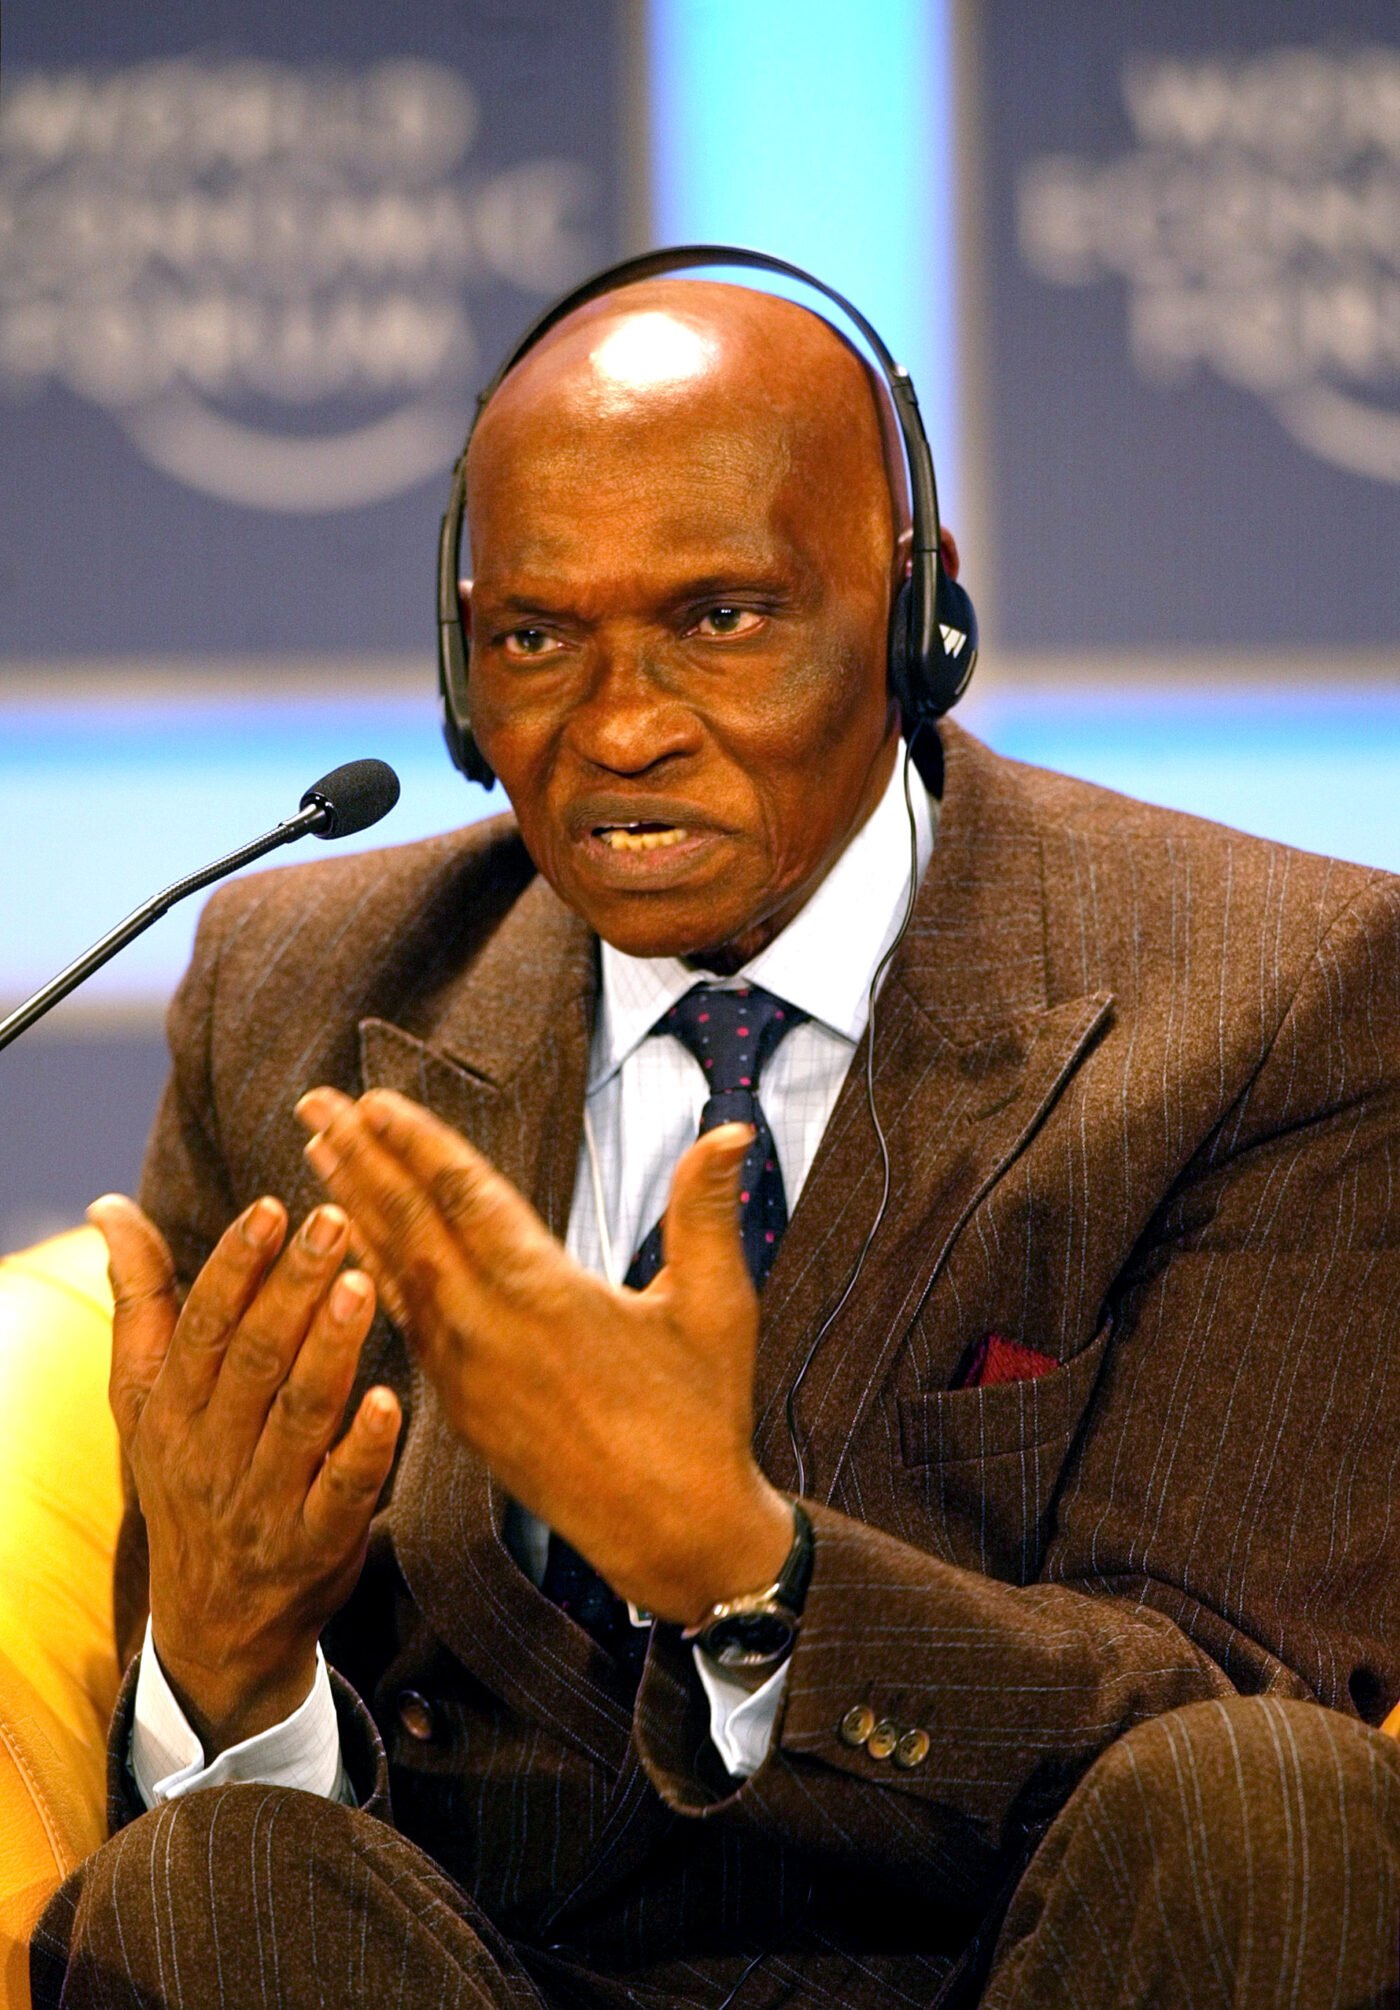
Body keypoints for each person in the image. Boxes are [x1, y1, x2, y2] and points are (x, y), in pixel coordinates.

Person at [32, 267, 1400, 2009]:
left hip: (1008, 1966)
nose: (618, 727)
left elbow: (1232, 1718)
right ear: (460, 665)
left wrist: (743, 1569)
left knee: (1271, 1804)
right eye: (536, 639)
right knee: (201, 1882)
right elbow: (254, 1798)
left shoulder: (1275, 990)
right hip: (477, 1970)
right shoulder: (297, 985)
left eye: (722, 618)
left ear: (917, 614)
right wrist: (230, 1667)